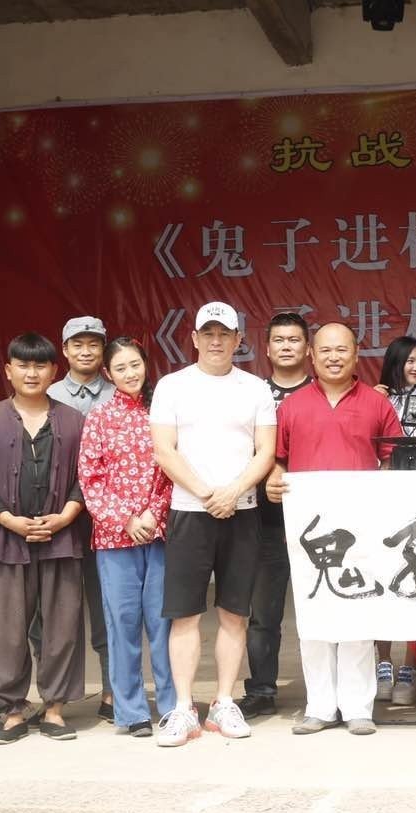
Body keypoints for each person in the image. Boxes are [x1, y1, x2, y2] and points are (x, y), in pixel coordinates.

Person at [266, 322, 404, 735]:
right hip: (308, 529)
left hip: (361, 527)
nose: (333, 357)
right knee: (315, 615)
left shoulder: (377, 405)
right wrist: (274, 479)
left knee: (357, 611)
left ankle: (358, 706)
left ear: (356, 354)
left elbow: (393, 458)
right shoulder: (291, 406)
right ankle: (321, 706)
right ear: (312, 354)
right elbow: (278, 458)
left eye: (341, 349)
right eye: (325, 350)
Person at [150, 302, 276, 746]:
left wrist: (233, 491)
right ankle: (184, 708)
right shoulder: (172, 386)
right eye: (209, 333)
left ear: (239, 339)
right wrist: (206, 493)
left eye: (225, 333)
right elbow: (164, 450)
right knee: (184, 613)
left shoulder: (255, 388)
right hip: (189, 510)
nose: (217, 341)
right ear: (195, 338)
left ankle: (224, 702)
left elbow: (265, 450)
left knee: (235, 612)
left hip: (242, 511)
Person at [0, 332, 87, 744]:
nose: (31, 373)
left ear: (54, 371)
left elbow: (86, 477)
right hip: (6, 541)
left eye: (40, 365)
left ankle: (54, 709)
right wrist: (10, 521)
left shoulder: (74, 421)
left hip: (62, 538)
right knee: (7, 629)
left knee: (62, 626)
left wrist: (66, 515)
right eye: (23, 365)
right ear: (8, 370)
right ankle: (12, 711)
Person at [77, 336, 175, 738]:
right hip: (115, 540)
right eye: (120, 368)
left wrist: (154, 512)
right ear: (107, 373)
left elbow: (174, 468)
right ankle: (132, 711)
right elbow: (90, 478)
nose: (130, 373)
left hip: (159, 533)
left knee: (164, 623)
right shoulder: (99, 417)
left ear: (146, 364)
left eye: (135, 364)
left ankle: (172, 706)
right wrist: (125, 520)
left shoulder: (162, 412)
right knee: (122, 624)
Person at [238, 312, 313, 720]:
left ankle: (326, 691)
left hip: (318, 523)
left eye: (294, 340)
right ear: (266, 349)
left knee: (322, 610)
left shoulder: (321, 393)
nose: (286, 346)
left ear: (308, 349)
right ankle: (262, 690)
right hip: (264, 522)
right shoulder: (253, 394)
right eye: (279, 340)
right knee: (263, 615)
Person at [47, 316, 115, 721]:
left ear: (103, 349)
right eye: (78, 344)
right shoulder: (47, 393)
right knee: (56, 608)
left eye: (93, 344)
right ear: (65, 349)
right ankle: (55, 695)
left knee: (108, 606)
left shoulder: (120, 391)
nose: (86, 351)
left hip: (108, 520)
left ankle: (111, 692)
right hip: (59, 518)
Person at [372, 335, 416, 704]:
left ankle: (409, 669)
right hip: (383, 505)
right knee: (382, 584)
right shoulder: (374, 399)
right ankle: (383, 663)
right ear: (394, 363)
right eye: (409, 361)